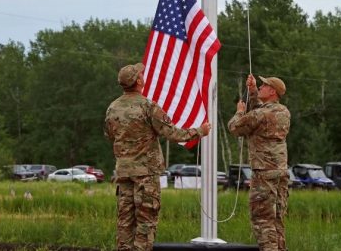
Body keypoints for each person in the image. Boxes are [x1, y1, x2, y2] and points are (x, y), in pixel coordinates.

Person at [104, 62, 211, 251]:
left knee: (125, 223)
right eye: (141, 74)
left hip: (123, 173)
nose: (143, 76)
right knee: (146, 222)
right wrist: (199, 131)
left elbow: (110, 135)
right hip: (146, 173)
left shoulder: (112, 108)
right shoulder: (148, 106)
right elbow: (172, 134)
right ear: (138, 81)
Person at [228, 74, 291, 251]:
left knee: (263, 220)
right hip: (280, 171)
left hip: (263, 173)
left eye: (264, 86)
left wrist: (240, 111)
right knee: (276, 220)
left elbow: (235, 127)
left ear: (272, 91)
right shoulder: (283, 112)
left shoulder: (261, 114)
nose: (261, 87)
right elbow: (260, 113)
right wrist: (253, 91)